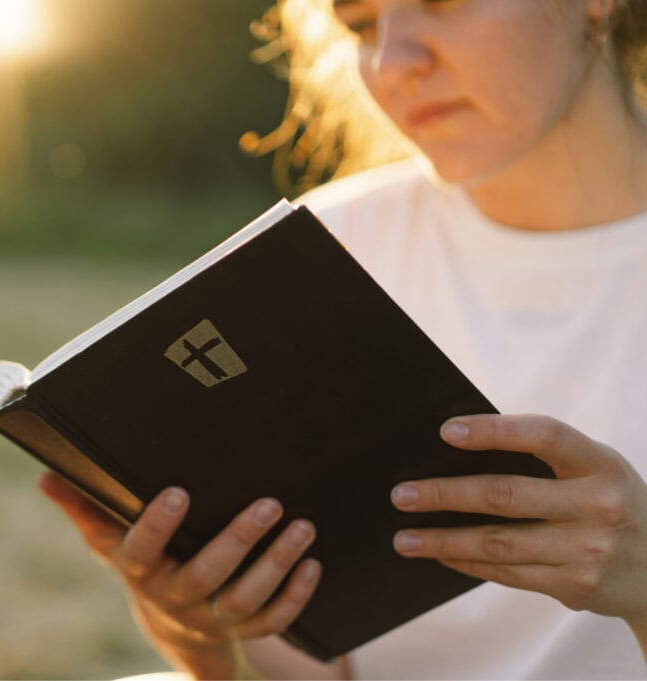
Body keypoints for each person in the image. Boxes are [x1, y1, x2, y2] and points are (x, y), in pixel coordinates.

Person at [38, 0, 647, 677]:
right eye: (361, 26)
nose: (390, 62)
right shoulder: (327, 249)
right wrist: (200, 629)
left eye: (441, 3)